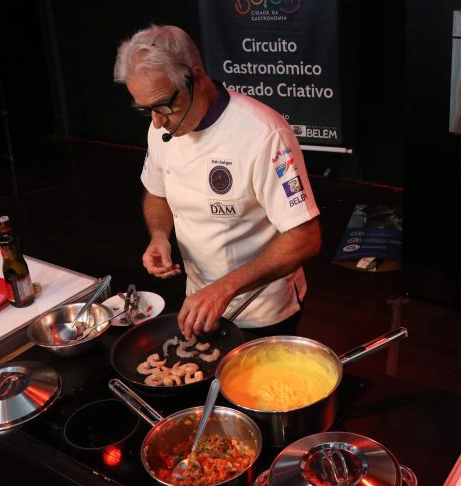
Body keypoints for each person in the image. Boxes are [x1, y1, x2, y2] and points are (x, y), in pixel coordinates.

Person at [113, 25, 321, 339]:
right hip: (199, 303)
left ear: (196, 78)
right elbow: (157, 194)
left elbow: (305, 237)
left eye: (163, 106)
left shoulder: (263, 134)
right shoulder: (160, 128)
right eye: (146, 110)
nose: (156, 122)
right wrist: (159, 236)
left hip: (261, 309)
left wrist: (224, 288)